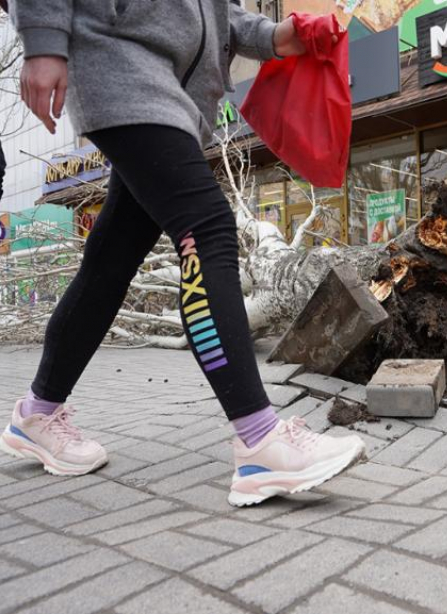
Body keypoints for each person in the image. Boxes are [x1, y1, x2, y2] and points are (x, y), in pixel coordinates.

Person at [1, 0, 365, 507]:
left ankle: (37, 413)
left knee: (111, 261)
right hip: (117, 62)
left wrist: (281, 35)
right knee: (208, 229)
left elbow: (218, 13)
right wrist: (42, 41)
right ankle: (259, 438)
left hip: (175, 95)